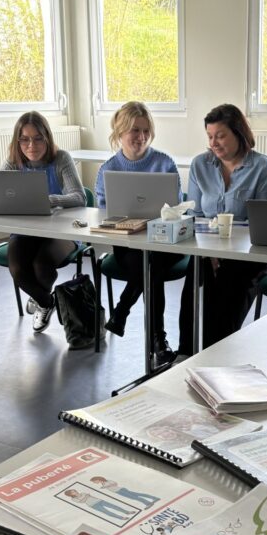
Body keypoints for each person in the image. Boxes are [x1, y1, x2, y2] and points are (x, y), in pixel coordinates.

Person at [179, 104, 267, 357]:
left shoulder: (262, 167)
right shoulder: (200, 165)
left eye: (220, 136)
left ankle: (216, 355)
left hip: (248, 252)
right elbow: (194, 215)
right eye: (210, 136)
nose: (214, 143)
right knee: (196, 269)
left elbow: (265, 223)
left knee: (228, 282)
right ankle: (186, 353)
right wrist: (210, 251)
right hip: (208, 247)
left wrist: (226, 251)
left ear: (238, 133)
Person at [94, 102, 181, 365]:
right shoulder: (108, 169)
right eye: (135, 130)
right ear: (120, 132)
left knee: (152, 261)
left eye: (146, 130)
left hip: (165, 241)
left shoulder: (164, 163)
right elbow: (103, 213)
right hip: (128, 243)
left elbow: (176, 208)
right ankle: (158, 342)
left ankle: (122, 310)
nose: (141, 137)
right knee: (149, 266)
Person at [3, 111, 87, 332]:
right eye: (25, 139)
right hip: (26, 231)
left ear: (47, 138)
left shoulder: (61, 159)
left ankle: (39, 298)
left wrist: (49, 200)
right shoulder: (13, 163)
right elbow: (2, 197)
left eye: (38, 138)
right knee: (18, 268)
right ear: (17, 141)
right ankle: (46, 301)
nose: (31, 145)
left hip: (62, 232)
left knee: (41, 266)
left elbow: (80, 197)